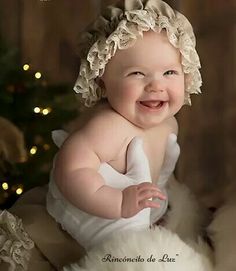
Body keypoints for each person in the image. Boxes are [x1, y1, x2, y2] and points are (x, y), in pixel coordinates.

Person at [46, 0, 202, 251]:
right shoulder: (107, 127)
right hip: (92, 210)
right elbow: (70, 171)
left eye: (170, 73)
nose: (156, 86)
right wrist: (117, 202)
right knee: (124, 256)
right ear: (103, 81)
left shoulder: (168, 124)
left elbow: (158, 168)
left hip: (135, 205)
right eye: (137, 73)